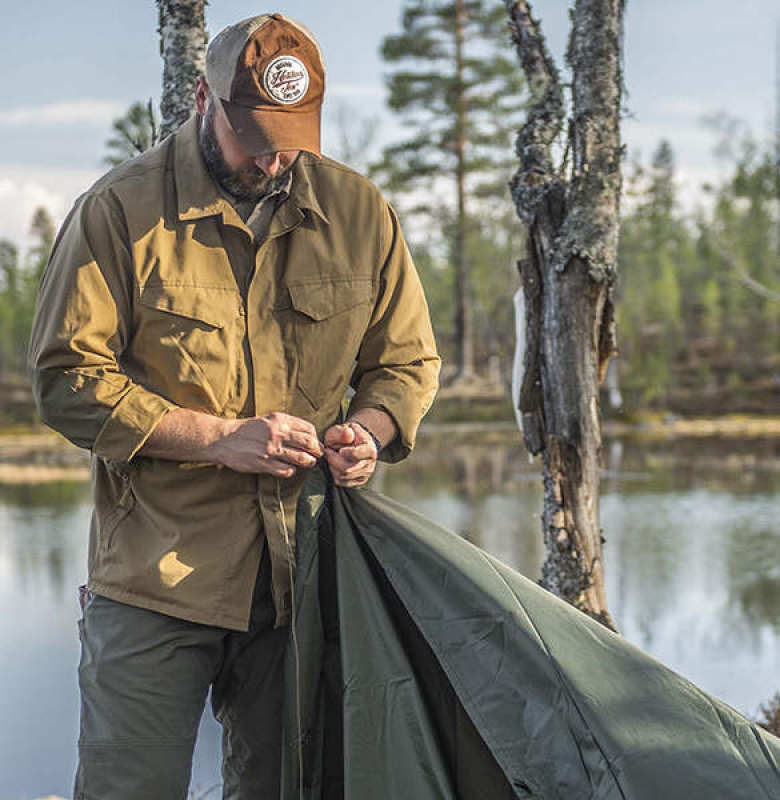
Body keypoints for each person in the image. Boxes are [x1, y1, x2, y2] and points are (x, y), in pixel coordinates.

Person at [29, 12, 440, 799]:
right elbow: (65, 378)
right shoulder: (118, 211)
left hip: (306, 581)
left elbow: (406, 363)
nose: (273, 154)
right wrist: (219, 438)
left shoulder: (360, 214)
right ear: (200, 100)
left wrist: (368, 432)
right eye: (252, 131)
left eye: (290, 134)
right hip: (156, 581)